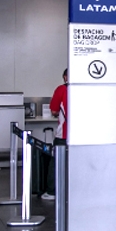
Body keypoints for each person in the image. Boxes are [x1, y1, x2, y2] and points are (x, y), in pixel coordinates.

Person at [43, 69, 68, 201]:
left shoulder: (61, 89)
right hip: (82, 134)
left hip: (64, 133)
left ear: (65, 77)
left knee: (56, 162)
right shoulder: (85, 89)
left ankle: (52, 191)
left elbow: (53, 110)